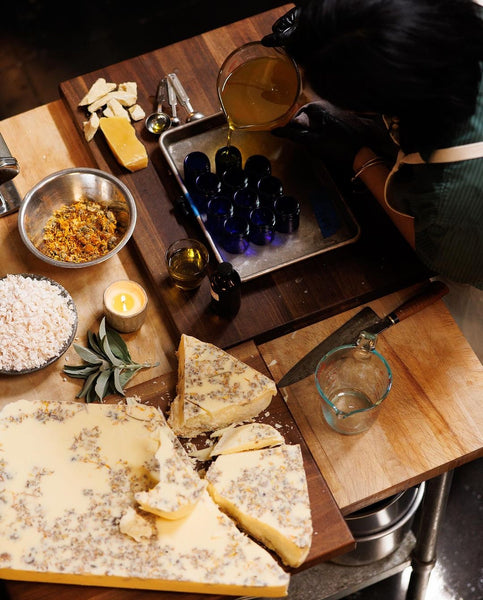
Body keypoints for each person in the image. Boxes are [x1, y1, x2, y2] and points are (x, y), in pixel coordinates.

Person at [262, 0, 483, 360]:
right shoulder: (456, 23)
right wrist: (337, 20)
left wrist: (358, 155)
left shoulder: (454, 199)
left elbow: (434, 247)